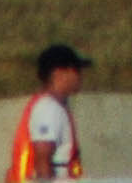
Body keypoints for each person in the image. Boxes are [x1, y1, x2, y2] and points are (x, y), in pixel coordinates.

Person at [9, 44, 88, 181]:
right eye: (75, 69)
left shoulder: (54, 107)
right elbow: (42, 163)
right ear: (58, 73)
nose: (80, 75)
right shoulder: (48, 109)